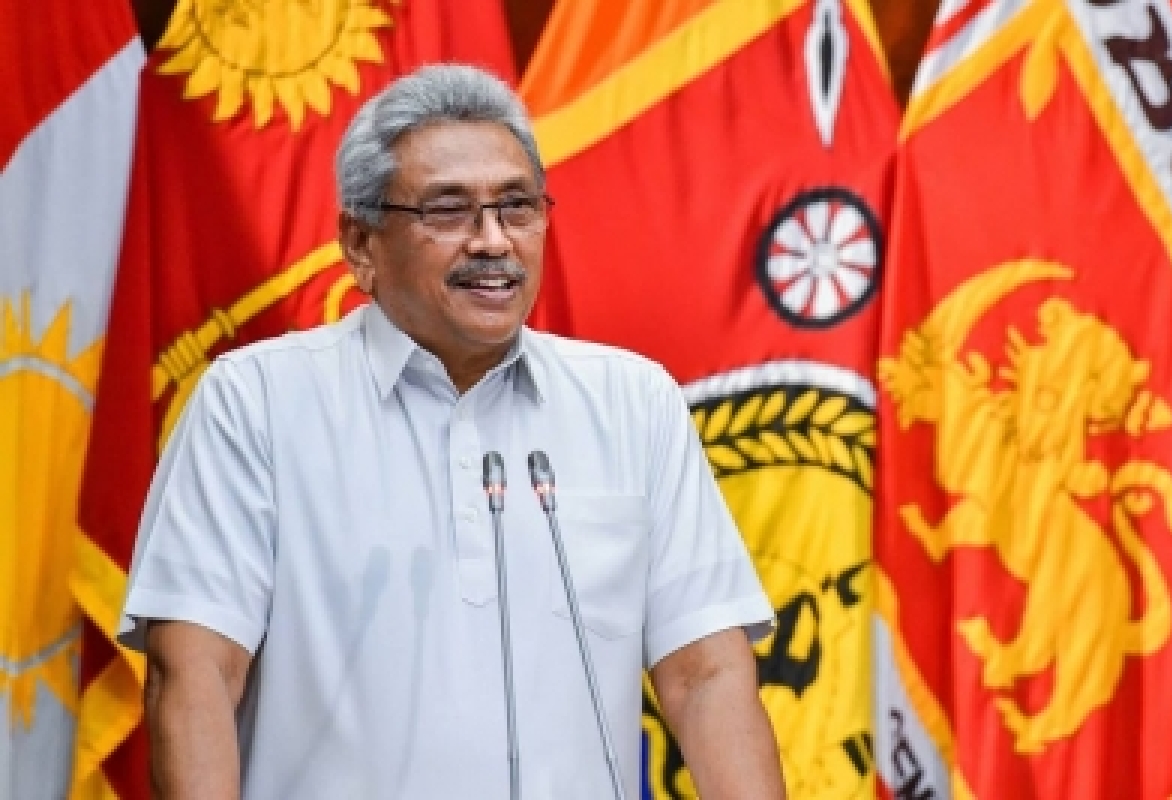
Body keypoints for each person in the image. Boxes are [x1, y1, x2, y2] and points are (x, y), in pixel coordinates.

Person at [118, 63, 785, 799]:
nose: (493, 241)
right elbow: (196, 672)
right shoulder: (256, 402)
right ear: (361, 244)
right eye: (448, 211)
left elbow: (706, 675)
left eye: (517, 207)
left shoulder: (633, 401)